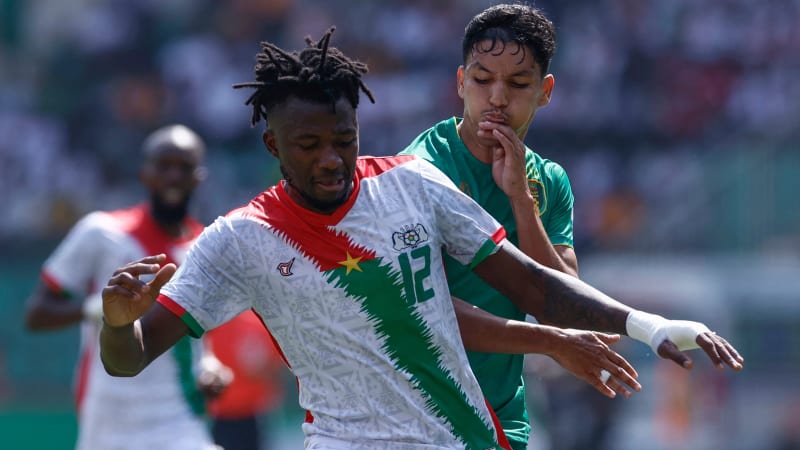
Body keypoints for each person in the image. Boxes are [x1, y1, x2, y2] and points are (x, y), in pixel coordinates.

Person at [97, 28, 743, 450]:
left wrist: (649, 326)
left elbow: (538, 287)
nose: (330, 159)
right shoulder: (241, 240)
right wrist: (116, 324)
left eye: (343, 140)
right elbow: (128, 357)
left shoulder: (413, 187)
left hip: (461, 438)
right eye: (309, 145)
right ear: (273, 146)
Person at [397, 4, 587, 448]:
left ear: (545, 90)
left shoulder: (549, 182)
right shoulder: (418, 171)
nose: (498, 98)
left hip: (502, 418)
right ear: (461, 82)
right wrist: (551, 343)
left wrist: (520, 199)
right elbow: (427, 313)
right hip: (417, 414)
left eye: (518, 83)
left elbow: (561, 300)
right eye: (483, 81)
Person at [24, 124, 227, 450]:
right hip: (108, 417)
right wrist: (101, 309)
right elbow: (37, 314)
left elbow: (201, 335)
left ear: (199, 177)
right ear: (144, 173)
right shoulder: (101, 233)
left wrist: (211, 368)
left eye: (184, 167)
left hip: (179, 418)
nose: (173, 176)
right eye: (164, 166)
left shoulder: (206, 246)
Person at [205, 309, 287, 450]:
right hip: (216, 415)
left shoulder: (254, 324)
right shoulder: (207, 326)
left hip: (250, 413)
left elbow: (272, 366)